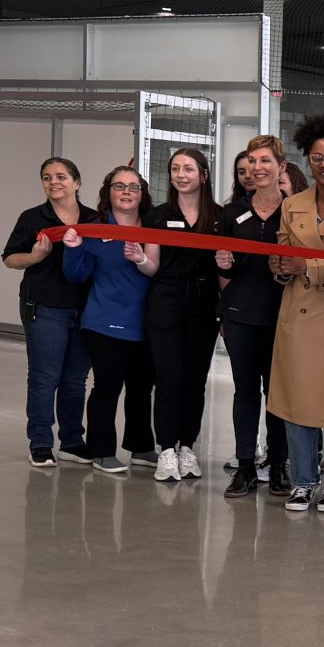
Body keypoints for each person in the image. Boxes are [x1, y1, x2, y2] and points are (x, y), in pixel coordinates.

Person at [268, 113, 324, 514]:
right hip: (299, 316)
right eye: (317, 158)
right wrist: (279, 268)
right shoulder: (292, 204)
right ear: (308, 160)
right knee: (297, 401)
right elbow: (283, 254)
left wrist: (310, 267)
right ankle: (303, 480)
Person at [3, 156, 99, 468]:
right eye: (47, 177)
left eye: (61, 176)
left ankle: (72, 441)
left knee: (75, 379)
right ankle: (41, 442)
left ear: (77, 182)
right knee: (45, 377)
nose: (54, 182)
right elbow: (9, 258)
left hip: (85, 310)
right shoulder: (33, 217)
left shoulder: (94, 220)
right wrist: (33, 256)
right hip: (44, 308)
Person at [60, 164, 156, 475]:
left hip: (147, 323)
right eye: (119, 186)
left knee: (141, 389)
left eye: (133, 187)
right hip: (104, 322)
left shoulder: (153, 228)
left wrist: (142, 257)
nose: (126, 192)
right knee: (107, 387)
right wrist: (73, 248)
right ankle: (101, 451)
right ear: (108, 192)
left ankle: (141, 449)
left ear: (142, 194)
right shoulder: (95, 227)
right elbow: (76, 275)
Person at [216, 136, 292, 500]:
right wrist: (222, 264)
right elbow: (222, 266)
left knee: (277, 394)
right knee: (245, 391)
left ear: (281, 166)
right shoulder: (232, 212)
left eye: (265, 161)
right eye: (252, 161)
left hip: (283, 315)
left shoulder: (295, 210)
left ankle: (278, 463)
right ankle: (245, 464)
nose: (258, 168)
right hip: (240, 314)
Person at [143, 145, 220, 482]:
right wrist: (137, 259)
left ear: (203, 175)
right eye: (175, 169)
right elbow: (152, 265)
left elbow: (225, 268)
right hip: (166, 300)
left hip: (204, 304)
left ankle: (187, 446)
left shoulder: (220, 217)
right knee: (169, 378)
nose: (181, 175)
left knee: (195, 381)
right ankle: (166, 450)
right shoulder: (158, 216)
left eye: (188, 169)